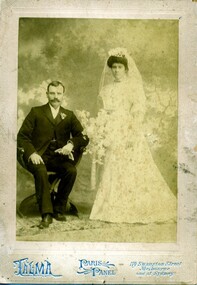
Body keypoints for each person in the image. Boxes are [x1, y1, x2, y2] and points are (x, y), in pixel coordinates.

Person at [90, 48, 177, 224]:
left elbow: (138, 113)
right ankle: (110, 207)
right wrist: (101, 129)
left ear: (126, 68)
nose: (116, 70)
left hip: (127, 128)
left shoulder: (133, 88)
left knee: (131, 166)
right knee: (111, 165)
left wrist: (132, 133)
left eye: (119, 67)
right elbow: (103, 111)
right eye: (113, 67)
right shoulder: (105, 90)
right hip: (110, 129)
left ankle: (132, 207)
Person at [17, 80, 89, 229]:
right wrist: (32, 153)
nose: (55, 97)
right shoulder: (36, 112)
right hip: (38, 156)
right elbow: (22, 136)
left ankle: (59, 209)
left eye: (59, 93)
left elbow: (83, 137)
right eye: (52, 93)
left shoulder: (68, 115)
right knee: (41, 170)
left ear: (63, 95)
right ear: (47, 94)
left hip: (57, 158)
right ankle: (46, 214)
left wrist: (70, 144)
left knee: (71, 170)